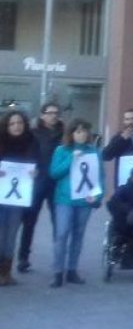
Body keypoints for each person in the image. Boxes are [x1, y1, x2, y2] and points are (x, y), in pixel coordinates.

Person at [48, 119, 104, 287]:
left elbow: (99, 177)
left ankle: (72, 269)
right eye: (78, 131)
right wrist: (71, 159)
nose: (81, 135)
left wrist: (98, 196)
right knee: (62, 234)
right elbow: (54, 173)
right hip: (64, 199)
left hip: (84, 200)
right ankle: (58, 271)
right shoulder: (62, 150)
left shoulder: (94, 152)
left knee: (78, 235)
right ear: (71, 134)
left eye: (84, 131)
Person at [17, 102, 63, 273]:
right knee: (29, 222)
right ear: (42, 115)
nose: (53, 115)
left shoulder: (64, 132)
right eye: (50, 113)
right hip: (36, 183)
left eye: (56, 112)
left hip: (56, 183)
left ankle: (59, 259)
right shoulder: (33, 133)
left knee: (59, 223)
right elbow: (25, 154)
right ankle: (23, 258)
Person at [0, 110, 40, 285]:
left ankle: (6, 273)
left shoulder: (31, 142)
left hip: (18, 200)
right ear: (6, 125)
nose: (16, 126)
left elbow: (38, 166)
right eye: (12, 123)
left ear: (24, 125)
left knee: (11, 236)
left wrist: (35, 173)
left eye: (19, 123)